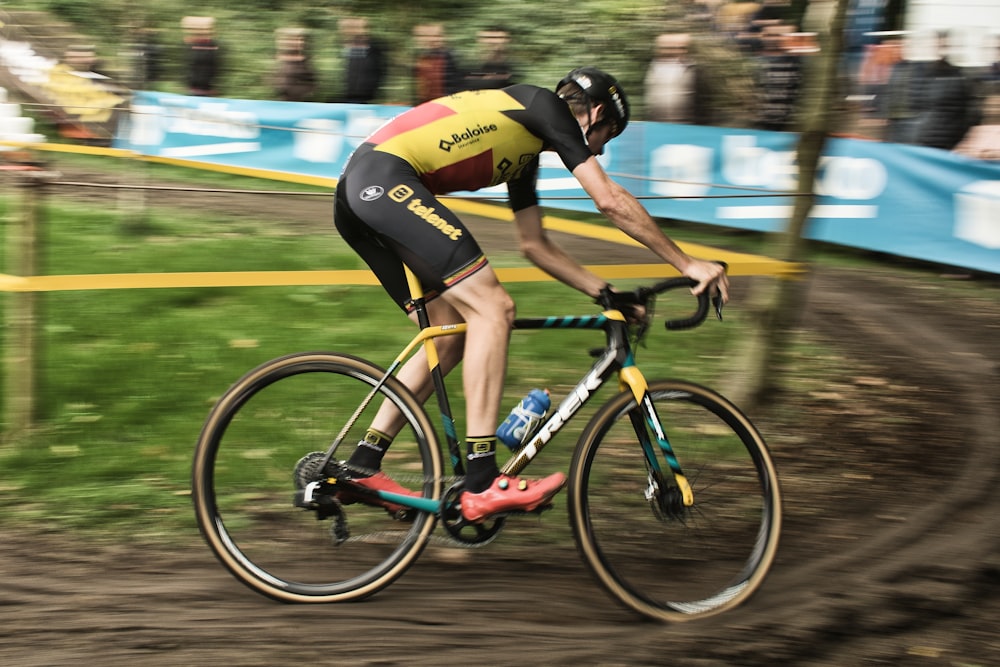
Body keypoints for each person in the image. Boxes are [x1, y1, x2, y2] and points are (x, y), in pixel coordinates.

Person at [333, 67, 729, 523]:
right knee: (493, 309)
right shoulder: (544, 108)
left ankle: (363, 464)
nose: (600, 148)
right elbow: (609, 199)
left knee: (449, 334)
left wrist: (605, 293)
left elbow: (534, 244)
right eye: (607, 135)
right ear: (595, 112)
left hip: (362, 192)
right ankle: (483, 480)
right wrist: (687, 263)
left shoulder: (524, 144)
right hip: (381, 180)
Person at [643, 33, 712, 124]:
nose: (673, 50)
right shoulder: (653, 67)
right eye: (668, 48)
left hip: (685, 125)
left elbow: (703, 102)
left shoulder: (694, 69)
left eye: (680, 47)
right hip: (658, 123)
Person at [339, 17, 387, 103]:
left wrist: (371, 93)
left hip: (364, 98)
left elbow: (379, 71)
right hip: (348, 96)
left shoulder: (374, 47)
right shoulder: (349, 46)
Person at [411, 23, 462, 104]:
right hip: (423, 106)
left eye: (437, 36)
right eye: (425, 36)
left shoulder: (452, 57)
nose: (432, 39)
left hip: (445, 106)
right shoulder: (419, 58)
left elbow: (456, 87)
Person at [463, 26, 516, 91]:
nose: (494, 41)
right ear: (479, 40)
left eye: (499, 38)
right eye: (488, 37)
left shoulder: (514, 66)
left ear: (507, 40)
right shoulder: (468, 65)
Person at [273, 28, 317, 102]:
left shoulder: (305, 60)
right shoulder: (278, 59)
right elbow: (273, 80)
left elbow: (312, 83)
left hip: (300, 102)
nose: (297, 42)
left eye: (299, 40)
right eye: (293, 39)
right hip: (281, 103)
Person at [181, 16, 222, 97]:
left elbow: (214, 66)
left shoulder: (213, 45)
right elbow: (188, 65)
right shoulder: (192, 45)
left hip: (207, 89)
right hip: (193, 88)